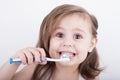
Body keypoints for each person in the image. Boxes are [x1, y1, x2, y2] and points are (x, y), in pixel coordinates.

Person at [0, 4, 103, 80]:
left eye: (77, 36)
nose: (67, 43)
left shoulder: (89, 77)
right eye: (60, 35)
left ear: (91, 44)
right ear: (48, 40)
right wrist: (15, 61)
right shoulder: (37, 68)